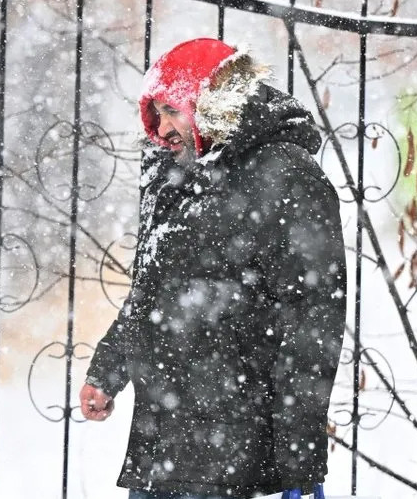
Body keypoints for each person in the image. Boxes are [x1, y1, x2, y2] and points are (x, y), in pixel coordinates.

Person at [79, 38, 347, 499]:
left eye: (172, 111)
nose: (162, 130)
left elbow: (312, 321)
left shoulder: (283, 174)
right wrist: (107, 370)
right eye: (156, 114)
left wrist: (300, 463)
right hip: (163, 446)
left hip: (234, 452)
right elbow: (155, 289)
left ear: (211, 101)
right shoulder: (174, 173)